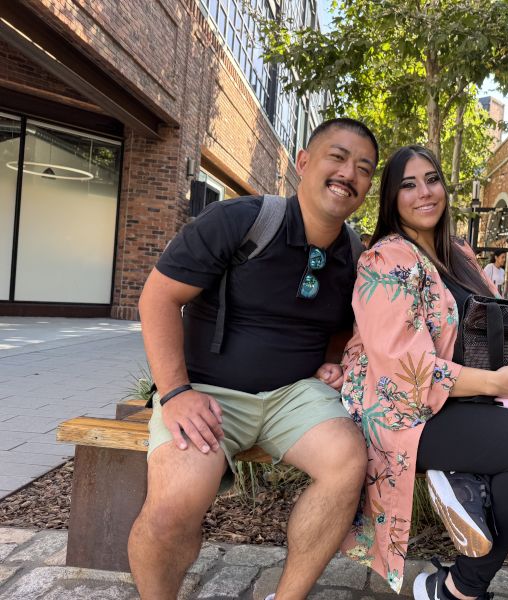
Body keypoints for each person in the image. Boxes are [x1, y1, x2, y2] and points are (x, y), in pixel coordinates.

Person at [128, 118, 378, 600]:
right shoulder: (240, 220)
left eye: (364, 168)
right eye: (338, 157)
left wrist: (332, 360)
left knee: (347, 462)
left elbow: (344, 322)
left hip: (296, 396)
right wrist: (176, 394)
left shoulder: (353, 254)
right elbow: (158, 298)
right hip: (207, 392)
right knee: (173, 506)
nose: (349, 173)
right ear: (303, 162)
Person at [339, 146, 508, 600]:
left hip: (466, 395)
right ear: (391, 199)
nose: (424, 192)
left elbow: (502, 317)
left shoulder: (458, 253)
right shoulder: (386, 260)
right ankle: (460, 589)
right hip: (407, 410)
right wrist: (497, 382)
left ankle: (468, 481)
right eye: (408, 185)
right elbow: (405, 370)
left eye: (432, 180)